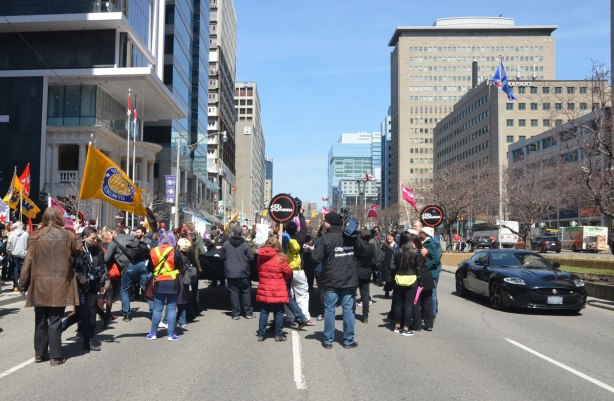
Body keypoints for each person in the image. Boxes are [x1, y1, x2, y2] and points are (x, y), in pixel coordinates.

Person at [18, 207, 82, 366]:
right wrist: (77, 235)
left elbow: (28, 262)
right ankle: (55, 356)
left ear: (45, 218)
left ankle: (40, 354)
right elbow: (79, 252)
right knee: (55, 320)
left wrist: (22, 284)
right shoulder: (68, 235)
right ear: (60, 218)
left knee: (40, 320)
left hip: (40, 284)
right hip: (60, 284)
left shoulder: (37, 236)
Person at [312, 211, 358, 349]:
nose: (323, 223)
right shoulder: (350, 237)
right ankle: (348, 341)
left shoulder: (325, 239)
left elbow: (315, 258)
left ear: (329, 223)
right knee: (348, 310)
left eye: (325, 221)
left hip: (331, 279)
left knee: (330, 310)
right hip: (348, 279)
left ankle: (328, 341)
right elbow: (364, 252)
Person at [61, 226, 106, 351]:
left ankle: (88, 339)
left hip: (93, 284)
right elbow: (71, 267)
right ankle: (61, 328)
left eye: (95, 238)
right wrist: (80, 277)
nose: (94, 240)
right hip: (80, 286)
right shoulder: (78, 249)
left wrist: (102, 283)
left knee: (88, 312)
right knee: (84, 313)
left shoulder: (97, 249)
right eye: (92, 238)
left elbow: (101, 266)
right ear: (85, 237)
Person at [104, 225, 151, 322]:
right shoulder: (132, 237)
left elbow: (106, 258)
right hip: (142, 264)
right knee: (146, 288)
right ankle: (154, 311)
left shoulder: (114, 241)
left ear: (115, 233)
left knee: (125, 290)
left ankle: (127, 315)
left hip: (128, 267)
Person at [146, 239, 185, 341]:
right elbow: (181, 268)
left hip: (159, 281)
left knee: (157, 308)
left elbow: (150, 268)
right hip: (172, 282)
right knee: (172, 308)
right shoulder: (175, 251)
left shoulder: (154, 251)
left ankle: (153, 333)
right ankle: (171, 335)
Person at [256, 237, 293, 342]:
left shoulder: (260, 257)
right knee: (279, 312)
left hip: (265, 287)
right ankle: (278, 334)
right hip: (278, 288)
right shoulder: (280, 258)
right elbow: (288, 272)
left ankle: (261, 334)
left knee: (264, 312)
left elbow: (259, 270)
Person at [221, 225, 254, 319]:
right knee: (246, 292)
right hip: (243, 272)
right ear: (241, 233)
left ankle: (236, 313)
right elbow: (251, 257)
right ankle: (248, 313)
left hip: (231, 272)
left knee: (234, 293)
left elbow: (221, 256)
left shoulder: (226, 244)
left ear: (233, 233)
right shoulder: (245, 244)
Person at [390, 232, 419, 337]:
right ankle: (406, 328)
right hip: (411, 279)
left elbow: (392, 266)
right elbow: (418, 267)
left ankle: (397, 326)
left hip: (398, 279)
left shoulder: (396, 250)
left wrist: (397, 272)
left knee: (398, 304)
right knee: (408, 305)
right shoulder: (415, 251)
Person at [419, 226, 441, 321]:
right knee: (424, 294)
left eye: (422, 232)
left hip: (431, 272)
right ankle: (425, 313)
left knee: (432, 294)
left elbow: (436, 259)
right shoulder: (422, 242)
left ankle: (432, 314)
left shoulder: (431, 243)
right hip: (424, 272)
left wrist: (427, 263)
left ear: (426, 233)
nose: (420, 234)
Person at [354, 228, 374, 323]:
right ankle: (365, 316)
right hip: (366, 271)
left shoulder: (358, 246)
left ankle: (351, 312)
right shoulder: (371, 246)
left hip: (356, 271)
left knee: (352, 293)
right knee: (365, 295)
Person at [7, 221, 29, 292]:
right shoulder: (26, 234)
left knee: (15, 270)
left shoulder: (11, 234)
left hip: (14, 254)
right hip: (23, 254)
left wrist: (9, 253)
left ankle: (15, 286)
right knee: (23, 270)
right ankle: (22, 286)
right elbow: (28, 245)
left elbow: (9, 246)